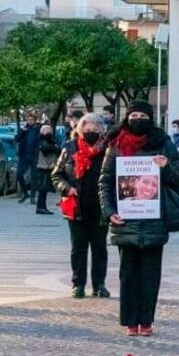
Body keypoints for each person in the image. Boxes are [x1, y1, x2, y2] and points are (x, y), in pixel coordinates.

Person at [99, 100, 179, 337]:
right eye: (133, 115)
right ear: (127, 117)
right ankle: (129, 321)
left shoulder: (163, 143)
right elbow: (105, 181)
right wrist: (108, 211)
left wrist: (166, 167)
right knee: (128, 274)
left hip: (155, 221)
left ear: (150, 118)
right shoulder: (115, 145)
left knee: (150, 275)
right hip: (125, 220)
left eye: (142, 115)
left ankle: (146, 321)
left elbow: (178, 178)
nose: (137, 119)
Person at [52, 113, 111, 299]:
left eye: (96, 127)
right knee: (78, 248)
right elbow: (57, 175)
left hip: (100, 206)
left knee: (99, 247)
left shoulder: (108, 150)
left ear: (102, 130)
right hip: (77, 206)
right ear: (80, 128)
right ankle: (78, 284)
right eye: (88, 127)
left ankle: (99, 284)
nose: (91, 130)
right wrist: (66, 188)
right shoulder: (70, 148)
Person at [34, 125, 60, 215]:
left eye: (49, 130)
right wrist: (55, 148)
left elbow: (57, 150)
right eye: (46, 130)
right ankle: (40, 207)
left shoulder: (51, 140)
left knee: (44, 189)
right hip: (43, 167)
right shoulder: (41, 141)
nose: (48, 132)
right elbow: (47, 149)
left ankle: (42, 207)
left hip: (49, 166)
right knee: (43, 188)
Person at [15, 113, 41, 204]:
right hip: (24, 155)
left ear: (35, 120)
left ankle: (33, 196)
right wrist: (22, 131)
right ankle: (25, 192)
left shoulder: (38, 129)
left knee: (34, 177)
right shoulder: (24, 129)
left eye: (31, 120)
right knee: (19, 174)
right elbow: (17, 139)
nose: (30, 121)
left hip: (34, 155)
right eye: (28, 119)